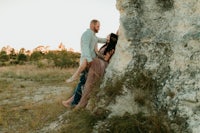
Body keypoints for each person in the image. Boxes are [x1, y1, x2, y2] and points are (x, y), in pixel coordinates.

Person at [62, 19, 108, 107]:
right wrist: (89, 59)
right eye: (98, 26)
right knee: (82, 83)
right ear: (92, 25)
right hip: (86, 62)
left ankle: (69, 102)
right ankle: (74, 103)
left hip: (90, 63)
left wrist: (108, 39)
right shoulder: (87, 34)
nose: (99, 28)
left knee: (83, 82)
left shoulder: (93, 36)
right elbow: (85, 47)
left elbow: (101, 39)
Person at [74, 32, 118, 109]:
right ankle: (78, 101)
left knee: (89, 83)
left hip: (101, 65)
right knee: (87, 82)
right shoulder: (106, 45)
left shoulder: (111, 48)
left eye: (108, 36)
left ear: (111, 39)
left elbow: (106, 59)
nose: (106, 37)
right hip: (98, 63)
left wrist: (97, 52)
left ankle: (82, 104)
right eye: (107, 36)